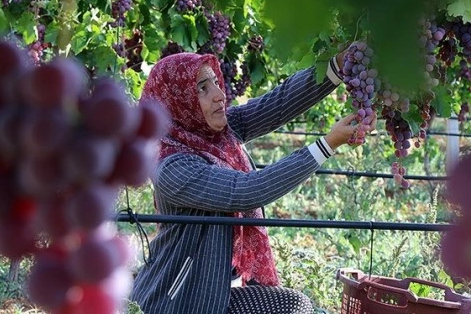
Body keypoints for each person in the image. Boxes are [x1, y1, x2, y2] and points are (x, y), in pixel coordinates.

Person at [130, 51, 373, 314]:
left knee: (292, 305)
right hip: (177, 302)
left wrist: (337, 66)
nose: (219, 94)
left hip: (214, 295)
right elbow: (246, 190)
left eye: (214, 81)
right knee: (293, 306)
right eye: (202, 88)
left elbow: (278, 105)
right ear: (177, 101)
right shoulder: (173, 168)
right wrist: (327, 145)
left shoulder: (215, 134)